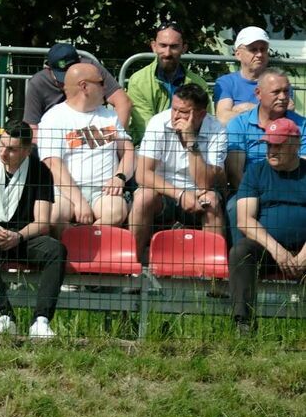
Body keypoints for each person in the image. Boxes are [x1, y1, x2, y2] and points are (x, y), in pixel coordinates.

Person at [0, 121, 65, 338]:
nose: (3, 152)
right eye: (2, 145)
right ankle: (4, 317)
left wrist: (18, 236)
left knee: (56, 251)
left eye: (11, 149)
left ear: (27, 150)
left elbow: (42, 222)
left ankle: (41, 321)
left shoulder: (40, 172)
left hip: (25, 237)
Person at [129, 84, 226, 262]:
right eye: (174, 109)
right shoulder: (158, 122)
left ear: (202, 114)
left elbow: (205, 183)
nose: (176, 116)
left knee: (211, 200)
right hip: (163, 192)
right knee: (143, 197)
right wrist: (179, 194)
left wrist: (191, 143)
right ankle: (130, 265)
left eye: (184, 112)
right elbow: (142, 174)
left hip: (199, 193)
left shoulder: (217, 130)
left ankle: (213, 277)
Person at [228, 118, 306, 334]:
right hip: (269, 252)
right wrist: (277, 250)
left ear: (295, 144)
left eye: (278, 145)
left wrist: (304, 254)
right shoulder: (256, 172)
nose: (271, 150)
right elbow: (245, 219)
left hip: (305, 250)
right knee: (241, 251)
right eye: (268, 144)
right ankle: (243, 323)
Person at [38, 63, 135, 229]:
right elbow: (53, 164)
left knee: (116, 213)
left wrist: (120, 177)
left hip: (104, 192)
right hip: (66, 192)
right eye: (100, 82)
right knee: (53, 216)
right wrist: (79, 201)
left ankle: (85, 239)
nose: (105, 87)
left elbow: (127, 151)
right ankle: (78, 246)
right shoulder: (53, 118)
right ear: (84, 86)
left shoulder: (109, 116)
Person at [125, 24, 209, 144]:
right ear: (154, 46)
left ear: (184, 48)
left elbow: (204, 124)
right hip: (150, 145)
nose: (167, 53)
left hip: (188, 144)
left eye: (174, 47)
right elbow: (145, 127)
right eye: (163, 45)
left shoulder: (199, 84)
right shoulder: (138, 81)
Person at [224, 71, 306, 190]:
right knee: (234, 208)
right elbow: (235, 172)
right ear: (258, 93)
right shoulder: (239, 124)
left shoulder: (302, 125)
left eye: (286, 91)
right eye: (276, 92)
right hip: (249, 189)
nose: (283, 97)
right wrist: (251, 195)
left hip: (293, 190)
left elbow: (304, 167)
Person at [23, 43, 131, 129]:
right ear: (48, 68)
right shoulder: (38, 84)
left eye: (72, 76)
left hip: (96, 138)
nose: (67, 82)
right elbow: (32, 128)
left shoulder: (91, 70)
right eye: (63, 76)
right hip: (53, 141)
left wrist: (116, 141)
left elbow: (123, 102)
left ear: (80, 62)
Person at [215, 26, 278, 124]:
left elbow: (285, 115)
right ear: (238, 54)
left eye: (263, 49)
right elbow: (223, 118)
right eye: (253, 49)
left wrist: (246, 108)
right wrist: (266, 112)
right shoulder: (226, 82)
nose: (259, 54)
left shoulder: (278, 81)